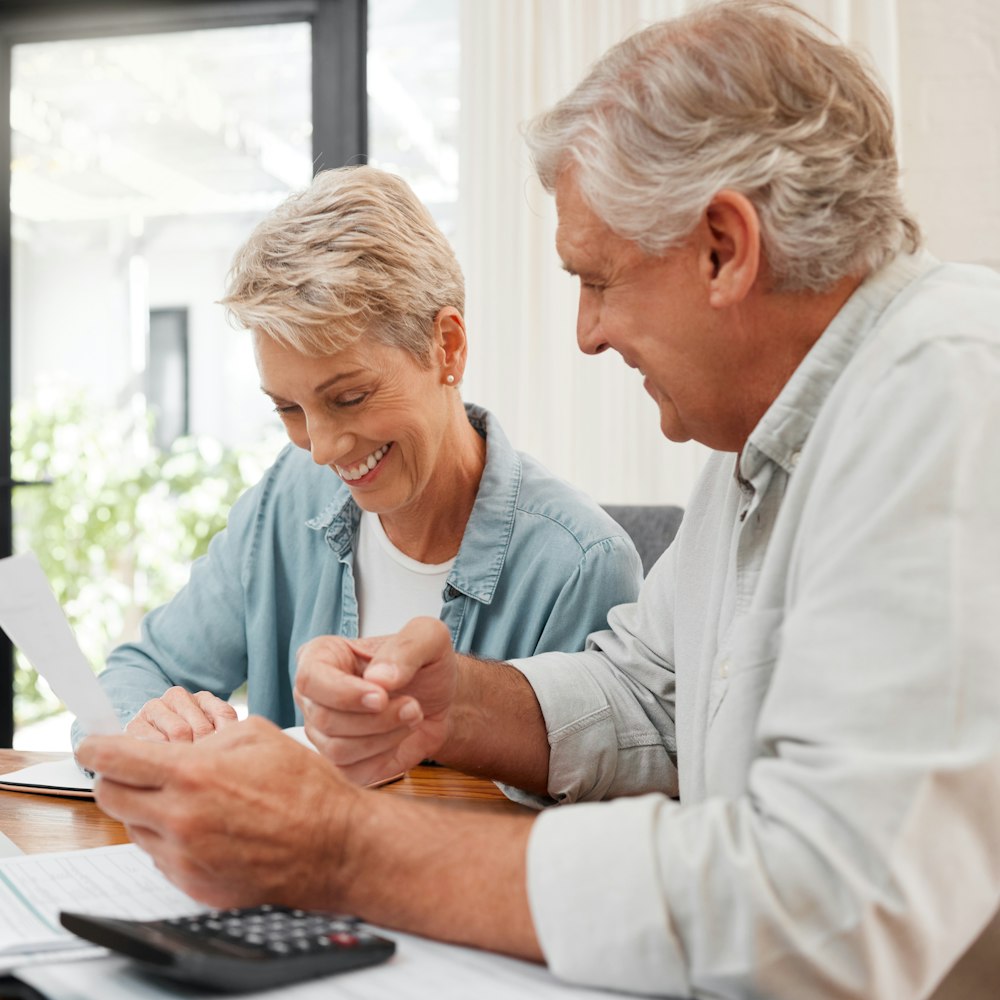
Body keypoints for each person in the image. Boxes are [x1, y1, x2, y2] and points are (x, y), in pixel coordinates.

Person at [78, 2, 1000, 997]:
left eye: (597, 280)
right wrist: (449, 704)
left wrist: (339, 845)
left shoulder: (946, 394)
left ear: (723, 247)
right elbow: (650, 697)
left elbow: (831, 907)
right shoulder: (764, 442)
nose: (586, 334)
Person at [75, 165, 641, 747]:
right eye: (288, 408)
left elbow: (580, 793)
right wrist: (146, 722)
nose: (321, 449)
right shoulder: (289, 498)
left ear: (447, 346)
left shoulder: (579, 567)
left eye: (349, 398)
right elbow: (137, 672)